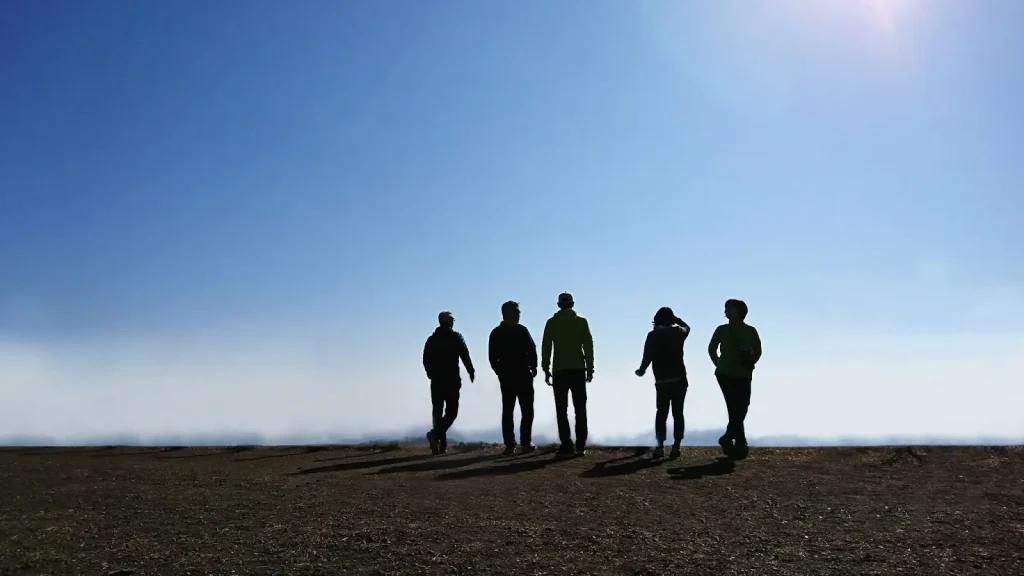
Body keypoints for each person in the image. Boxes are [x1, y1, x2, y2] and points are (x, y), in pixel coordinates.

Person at [541, 292, 595, 456]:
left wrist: (545, 368)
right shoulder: (581, 322)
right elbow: (588, 346)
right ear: (572, 304)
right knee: (580, 408)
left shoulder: (551, 323)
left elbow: (546, 347)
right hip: (578, 369)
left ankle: (566, 444)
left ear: (559, 305)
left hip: (559, 370)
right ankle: (580, 446)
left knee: (561, 409)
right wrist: (590, 368)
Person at [707, 298, 762, 460]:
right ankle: (740, 442)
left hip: (744, 374)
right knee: (734, 407)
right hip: (725, 375)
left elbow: (758, 351)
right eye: (726, 308)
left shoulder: (750, 330)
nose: (726, 311)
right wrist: (720, 364)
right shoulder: (721, 330)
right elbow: (711, 349)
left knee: (742, 406)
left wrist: (750, 363)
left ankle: (730, 439)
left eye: (729, 308)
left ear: (739, 310)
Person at [635, 306, 691, 460]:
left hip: (661, 380)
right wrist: (677, 319)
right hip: (680, 378)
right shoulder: (679, 332)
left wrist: (641, 370)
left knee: (662, 412)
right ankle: (676, 446)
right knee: (678, 412)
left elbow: (647, 355)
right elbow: (688, 328)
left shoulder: (653, 336)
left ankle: (660, 446)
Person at [488, 301, 539, 456]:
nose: (519, 314)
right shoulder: (522, 331)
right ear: (509, 313)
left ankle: (510, 445)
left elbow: (492, 357)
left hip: (507, 377)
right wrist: (533, 367)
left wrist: (500, 371)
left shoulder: (496, 333)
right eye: (517, 311)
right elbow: (532, 349)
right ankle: (525, 443)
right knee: (526, 410)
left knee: (508, 410)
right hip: (523, 375)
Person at [423, 311, 475, 455]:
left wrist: (430, 374)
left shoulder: (432, 339)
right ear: (449, 322)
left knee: (437, 412)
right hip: (452, 380)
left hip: (437, 381)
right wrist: (471, 370)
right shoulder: (456, 337)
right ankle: (436, 437)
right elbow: (465, 354)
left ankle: (441, 444)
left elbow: (426, 359)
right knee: (451, 412)